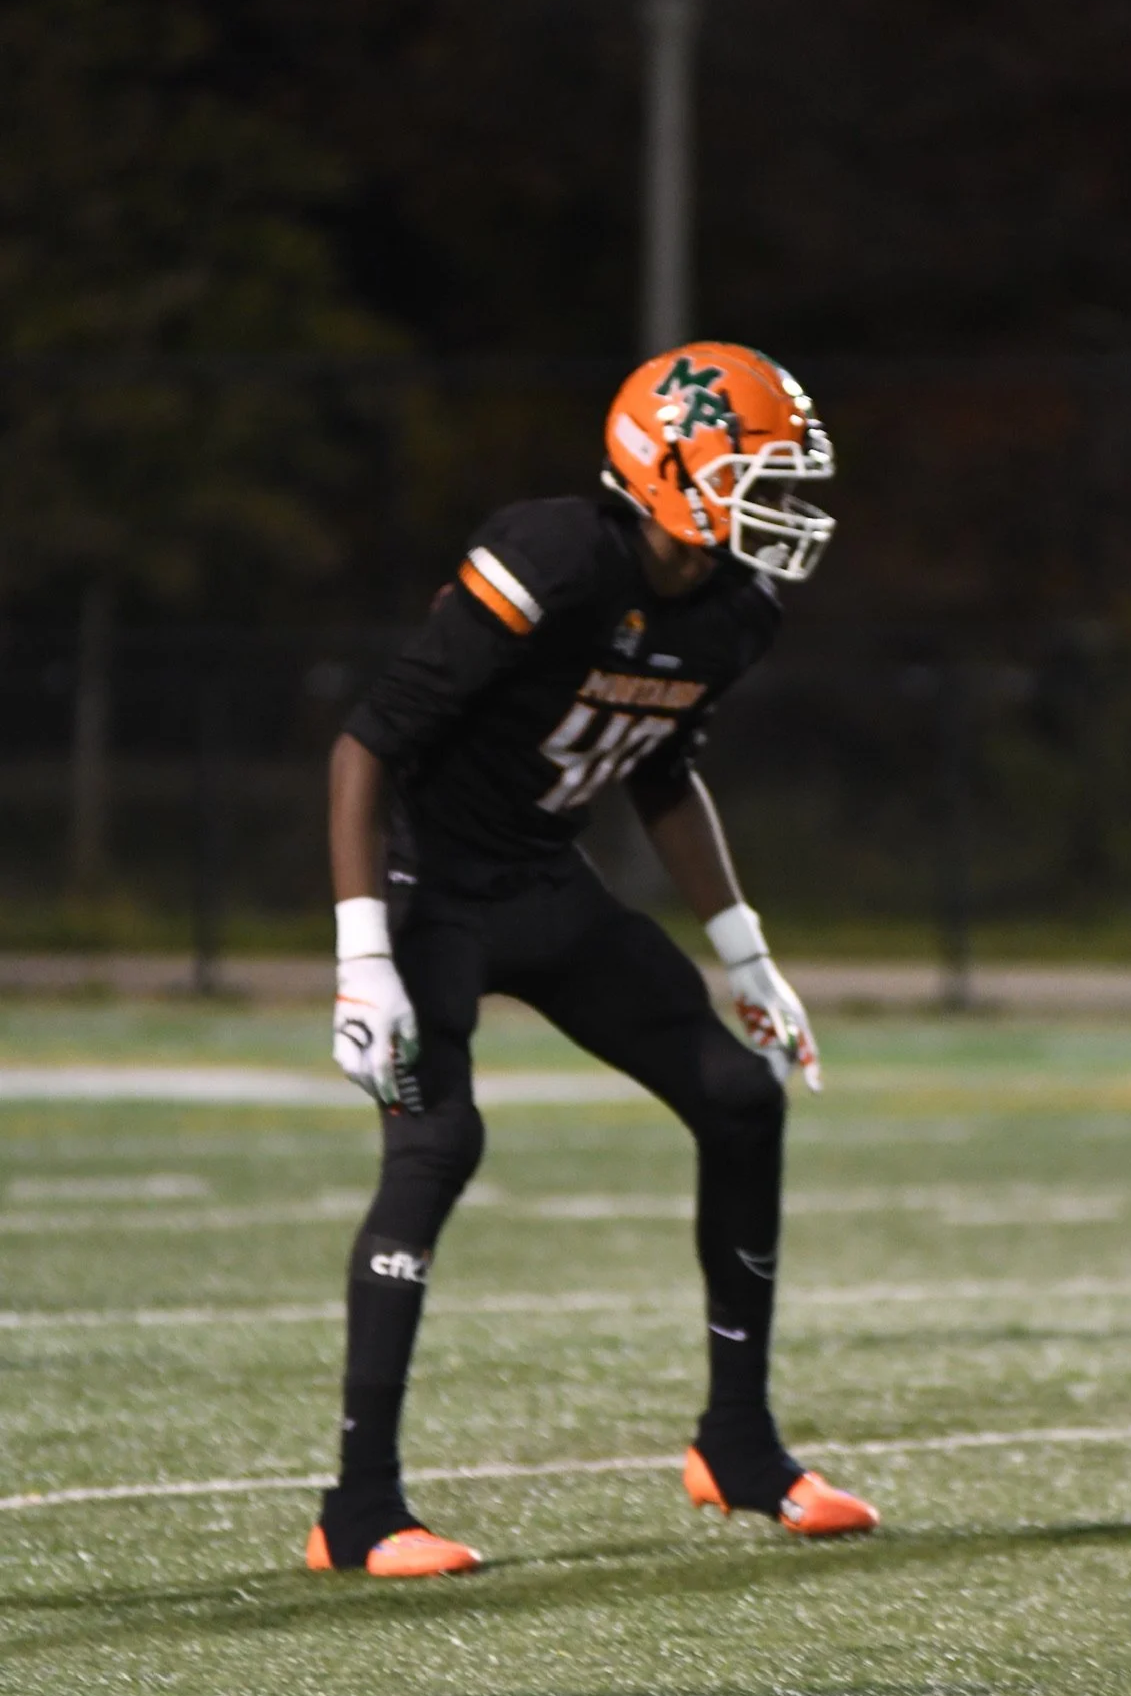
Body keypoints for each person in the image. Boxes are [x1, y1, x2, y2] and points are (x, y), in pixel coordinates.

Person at [305, 342, 879, 1579]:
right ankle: (355, 1513)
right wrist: (365, 958)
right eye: (759, 471)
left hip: (544, 883)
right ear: (670, 469)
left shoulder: (735, 606)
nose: (783, 500)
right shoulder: (555, 555)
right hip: (427, 890)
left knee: (739, 1097)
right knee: (439, 1145)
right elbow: (366, 745)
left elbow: (663, 768)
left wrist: (746, 953)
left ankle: (737, 1446)